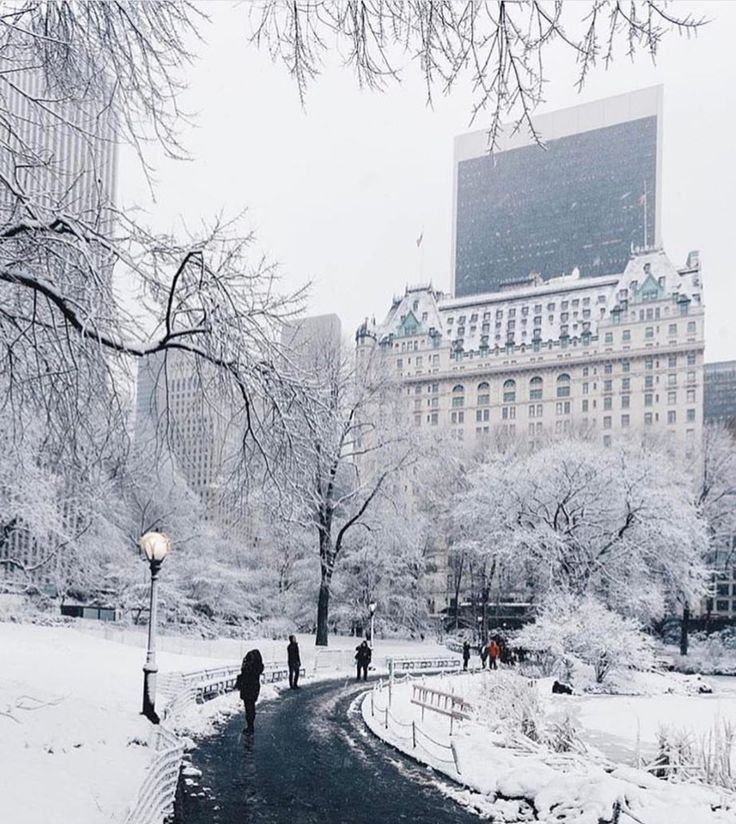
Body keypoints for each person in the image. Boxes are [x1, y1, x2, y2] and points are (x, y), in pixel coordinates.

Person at [236, 649, 264, 734]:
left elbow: (245, 675)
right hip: (253, 688)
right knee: (250, 707)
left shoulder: (250, 667)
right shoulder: (257, 667)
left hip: (248, 688)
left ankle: (250, 727)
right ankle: (250, 726)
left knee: (249, 708)